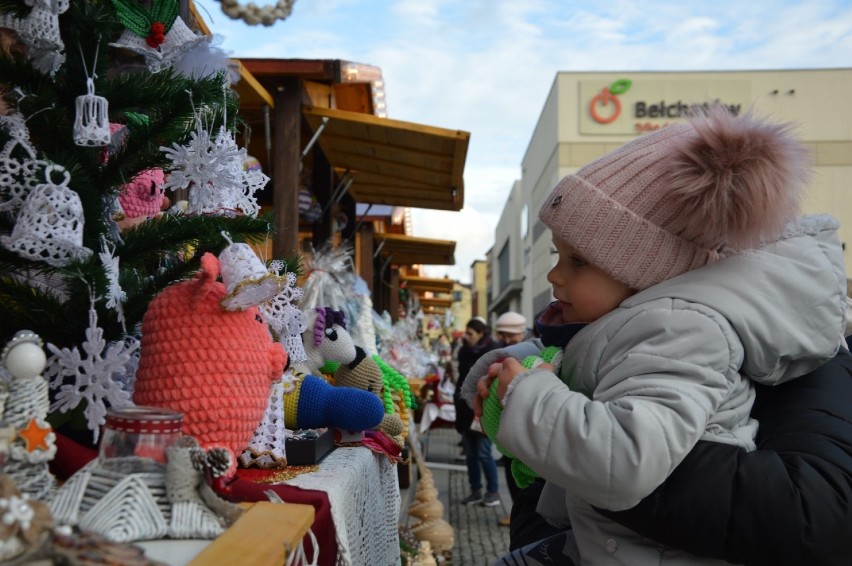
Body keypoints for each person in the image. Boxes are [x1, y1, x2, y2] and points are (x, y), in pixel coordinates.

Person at [469, 106, 847, 564]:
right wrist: (509, 369)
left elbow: (627, 460)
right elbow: (588, 361)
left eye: (579, 261)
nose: (555, 275)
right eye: (558, 254)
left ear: (645, 269)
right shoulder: (635, 325)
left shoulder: (681, 330)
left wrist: (528, 394)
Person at [453, 317, 501, 506]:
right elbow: (462, 379)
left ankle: (493, 492)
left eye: (470, 333)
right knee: (471, 454)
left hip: (483, 408)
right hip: (465, 407)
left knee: (483, 452)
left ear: (481, 333)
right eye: (466, 333)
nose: (467, 336)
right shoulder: (464, 350)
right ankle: (475, 490)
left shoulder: (492, 351)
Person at [492, 311, 528, 526]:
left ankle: (521, 515)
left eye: (510, 335)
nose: (505, 339)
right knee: (510, 469)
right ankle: (516, 511)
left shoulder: (532, 351)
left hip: (522, 420)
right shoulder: (502, 351)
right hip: (504, 418)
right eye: (502, 335)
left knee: (524, 474)